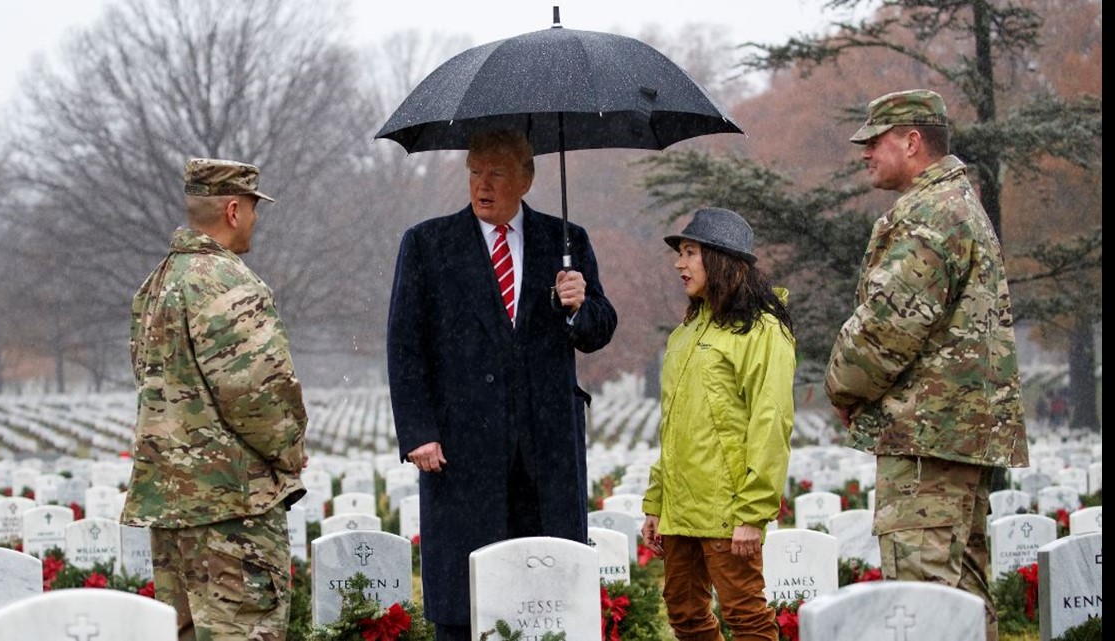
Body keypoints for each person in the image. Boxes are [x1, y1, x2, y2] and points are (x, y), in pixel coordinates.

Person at [387, 128, 617, 640]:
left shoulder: (566, 241)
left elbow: (599, 330)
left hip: (546, 453)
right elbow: (405, 345)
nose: (481, 185)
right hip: (461, 452)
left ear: (527, 178)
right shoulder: (428, 244)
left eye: (495, 173)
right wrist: (418, 431)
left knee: (546, 598)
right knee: (464, 605)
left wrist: (581, 305)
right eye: (474, 172)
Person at [824, 89, 1029, 641]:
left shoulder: (931, 215)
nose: (865, 152)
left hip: (925, 438)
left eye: (875, 140)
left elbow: (888, 326)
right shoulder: (957, 203)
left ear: (912, 142)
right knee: (961, 599)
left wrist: (843, 388)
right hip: (951, 437)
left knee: (922, 604)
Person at [121, 158, 309, 641]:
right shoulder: (228, 284)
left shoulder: (156, 284)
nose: (255, 219)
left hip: (171, 508)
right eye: (252, 208)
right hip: (232, 511)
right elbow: (259, 396)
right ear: (232, 210)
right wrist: (289, 454)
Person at [641, 208, 796, 641]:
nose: (679, 263)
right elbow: (674, 426)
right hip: (680, 508)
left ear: (721, 260)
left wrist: (753, 513)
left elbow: (772, 423)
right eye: (681, 253)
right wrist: (657, 502)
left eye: (690, 253)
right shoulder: (686, 333)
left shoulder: (763, 331)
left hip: (728, 509)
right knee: (685, 615)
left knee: (746, 617)